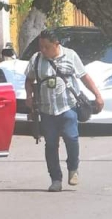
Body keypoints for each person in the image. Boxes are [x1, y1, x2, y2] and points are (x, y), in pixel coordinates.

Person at [25, 30, 104, 192]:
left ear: (56, 44)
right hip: (47, 109)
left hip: (68, 106)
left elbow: (84, 77)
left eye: (47, 47)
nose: (43, 50)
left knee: (71, 138)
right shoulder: (37, 59)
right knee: (51, 144)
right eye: (41, 47)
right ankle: (55, 179)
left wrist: (97, 95)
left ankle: (73, 169)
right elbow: (29, 80)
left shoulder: (70, 56)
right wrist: (29, 96)